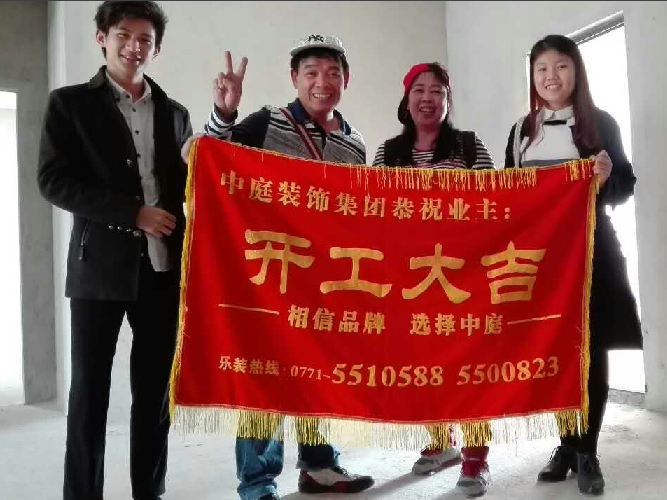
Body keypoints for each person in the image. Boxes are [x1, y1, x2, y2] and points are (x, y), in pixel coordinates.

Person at [184, 35, 373, 500]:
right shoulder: (268, 123)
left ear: (346, 80)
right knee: (265, 377)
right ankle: (257, 483)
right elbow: (205, 156)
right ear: (294, 78)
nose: (322, 82)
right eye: (311, 72)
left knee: (318, 373)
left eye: (332, 73)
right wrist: (224, 112)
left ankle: (319, 465)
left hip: (323, 279)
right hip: (269, 276)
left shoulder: (354, 144)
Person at [37, 2, 192, 499]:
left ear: (157, 49)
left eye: (145, 39)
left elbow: (188, 186)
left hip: (162, 271)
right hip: (97, 269)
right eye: (124, 35)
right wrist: (133, 213)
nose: (134, 47)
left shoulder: (175, 113)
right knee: (89, 394)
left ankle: (149, 492)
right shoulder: (69, 105)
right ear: (102, 37)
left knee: (154, 395)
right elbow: (53, 181)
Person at [503, 34, 642, 496]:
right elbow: (509, 196)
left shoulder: (600, 123)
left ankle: (588, 450)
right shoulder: (522, 131)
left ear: (576, 72)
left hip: (592, 254)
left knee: (591, 349)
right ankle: (565, 445)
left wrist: (605, 177)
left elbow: (624, 186)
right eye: (542, 68)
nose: (551, 76)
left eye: (561, 66)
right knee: (555, 352)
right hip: (541, 259)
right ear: (533, 77)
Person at [373, 62, 495, 497]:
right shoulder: (388, 153)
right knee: (425, 364)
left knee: (470, 367)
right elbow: (373, 215)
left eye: (437, 91)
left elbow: (496, 204)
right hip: (413, 280)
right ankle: (441, 441)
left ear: (448, 99)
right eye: (419, 90)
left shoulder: (469, 146)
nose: (428, 98)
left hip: (464, 277)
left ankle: (476, 457)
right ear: (406, 99)